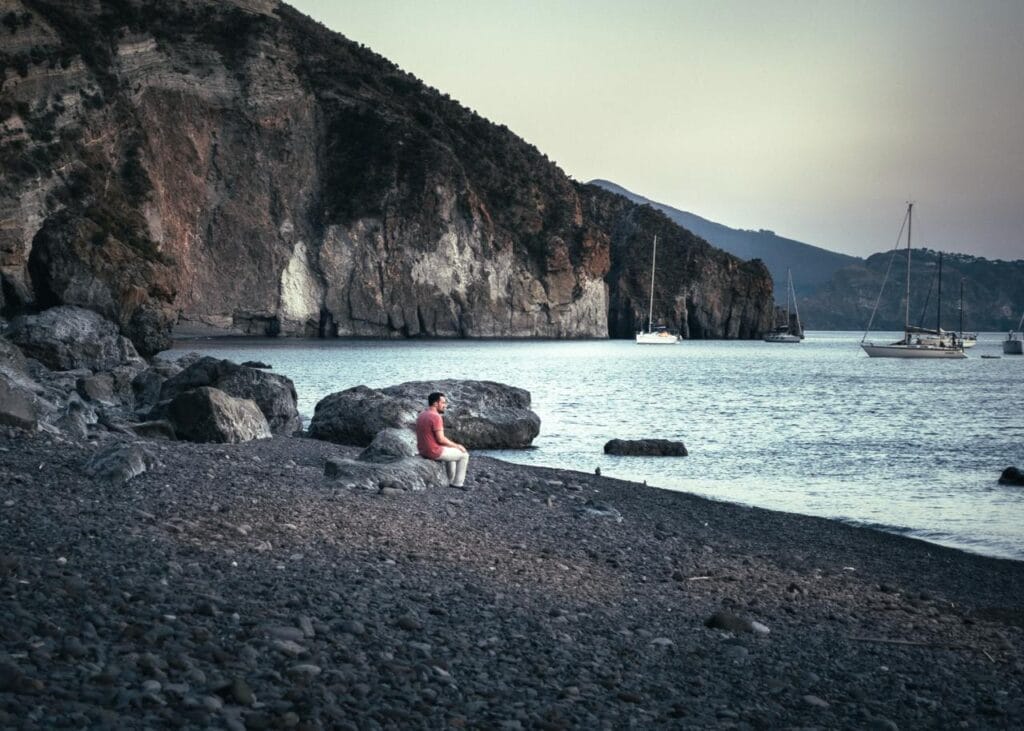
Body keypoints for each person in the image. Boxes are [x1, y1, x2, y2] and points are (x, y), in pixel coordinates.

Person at [415, 392, 469, 488]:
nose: (445, 405)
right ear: (436, 404)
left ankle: (450, 480)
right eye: (443, 403)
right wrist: (458, 446)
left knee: (452, 452)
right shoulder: (436, 417)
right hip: (433, 451)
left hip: (422, 450)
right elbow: (441, 439)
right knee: (464, 455)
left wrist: (451, 446)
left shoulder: (422, 414)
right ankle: (458, 483)